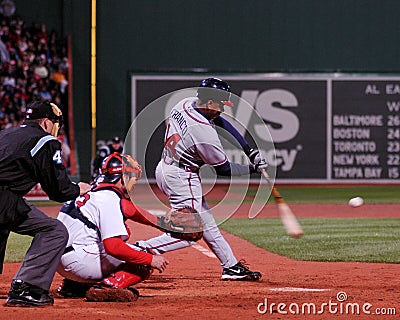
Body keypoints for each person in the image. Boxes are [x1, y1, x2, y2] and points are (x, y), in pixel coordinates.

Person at [137, 78, 268, 281]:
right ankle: (140, 250)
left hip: (165, 168)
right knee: (189, 233)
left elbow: (220, 120)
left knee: (207, 222)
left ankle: (231, 266)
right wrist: (253, 169)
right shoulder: (203, 132)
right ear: (209, 102)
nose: (222, 109)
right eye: (221, 104)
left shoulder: (186, 102)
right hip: (182, 177)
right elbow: (224, 168)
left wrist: (248, 150)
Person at [0, 100, 91, 307]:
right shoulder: (45, 141)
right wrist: (77, 188)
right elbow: (58, 191)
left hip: (5, 200)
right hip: (3, 199)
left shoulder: (5, 133)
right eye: (55, 122)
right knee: (54, 231)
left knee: (2, 225)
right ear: (46, 123)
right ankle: (26, 288)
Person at [56, 152, 169, 301]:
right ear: (123, 178)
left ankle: (74, 286)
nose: (134, 182)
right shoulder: (109, 198)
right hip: (79, 262)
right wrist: (150, 259)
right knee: (141, 256)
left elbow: (129, 209)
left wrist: (161, 223)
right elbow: (113, 247)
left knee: (116, 235)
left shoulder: (93, 191)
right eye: (132, 177)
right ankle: (107, 287)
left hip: (58, 260)